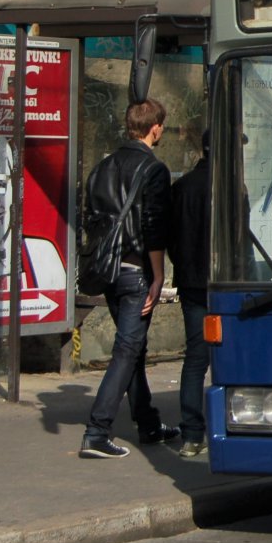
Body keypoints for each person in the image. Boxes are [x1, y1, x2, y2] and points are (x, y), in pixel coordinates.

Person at [79, 98, 178, 459]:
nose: (162, 131)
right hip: (137, 270)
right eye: (162, 126)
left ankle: (148, 422)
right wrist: (159, 274)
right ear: (154, 128)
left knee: (133, 348)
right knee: (127, 349)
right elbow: (154, 226)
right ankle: (96, 431)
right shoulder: (153, 169)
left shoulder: (102, 167)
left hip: (107, 269)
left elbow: (92, 218)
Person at [168, 129, 210, 458]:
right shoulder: (232, 187)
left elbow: (172, 239)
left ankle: (192, 435)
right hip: (226, 285)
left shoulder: (181, 187)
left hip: (191, 282)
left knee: (195, 359)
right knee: (229, 356)